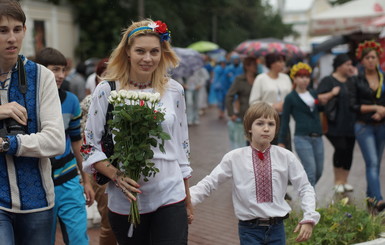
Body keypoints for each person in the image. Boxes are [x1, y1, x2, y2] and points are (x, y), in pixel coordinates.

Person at [81, 19, 193, 244]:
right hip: (126, 198)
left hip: (170, 192)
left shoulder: (174, 90)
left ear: (163, 53)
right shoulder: (107, 90)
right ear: (128, 53)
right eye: (140, 51)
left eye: (154, 51)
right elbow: (88, 146)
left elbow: (182, 148)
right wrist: (117, 175)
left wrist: (187, 199)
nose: (148, 58)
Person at [190, 102, 320, 244]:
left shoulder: (286, 156)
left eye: (271, 124)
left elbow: (305, 187)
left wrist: (309, 217)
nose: (266, 129)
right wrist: (187, 200)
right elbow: (210, 182)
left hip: (277, 229)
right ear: (249, 128)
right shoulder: (235, 157)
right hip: (249, 230)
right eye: (260, 123)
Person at [0, 1, 65, 244]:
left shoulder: (42, 76)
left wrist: (7, 143)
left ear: (25, 31)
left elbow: (56, 141)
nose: (11, 38)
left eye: (17, 29)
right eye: (2, 30)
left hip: (37, 201)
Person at [35, 47, 95, 245]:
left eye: (63, 69)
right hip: (38, 184)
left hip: (68, 179)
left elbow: (77, 142)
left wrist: (86, 180)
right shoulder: (29, 102)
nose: (61, 75)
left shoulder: (70, 101)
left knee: (78, 239)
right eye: (55, 69)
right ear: (40, 70)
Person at [347, 40, 385, 213]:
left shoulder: (383, 76)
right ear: (362, 61)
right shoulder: (356, 80)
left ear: (378, 59)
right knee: (372, 162)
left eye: (374, 57)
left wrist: (383, 111)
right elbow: (353, 105)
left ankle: (371, 201)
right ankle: (378, 199)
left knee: (376, 165)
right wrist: (375, 108)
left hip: (381, 125)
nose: (371, 60)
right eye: (367, 57)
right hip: (364, 126)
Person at [278, 62, 324, 187]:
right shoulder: (290, 98)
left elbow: (320, 110)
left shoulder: (313, 93)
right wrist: (281, 141)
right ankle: (310, 204)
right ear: (295, 78)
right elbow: (285, 120)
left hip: (318, 137)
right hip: (302, 138)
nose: (304, 80)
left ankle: (304, 190)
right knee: (311, 172)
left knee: (319, 171)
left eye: (307, 77)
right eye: (301, 77)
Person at [317, 54, 356, 193]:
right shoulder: (328, 80)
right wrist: (332, 93)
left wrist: (356, 75)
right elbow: (318, 98)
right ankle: (337, 180)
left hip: (351, 122)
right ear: (339, 66)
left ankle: (345, 180)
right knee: (341, 148)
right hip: (334, 123)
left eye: (351, 64)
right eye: (347, 64)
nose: (350, 67)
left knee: (349, 150)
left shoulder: (352, 80)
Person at [249, 53, 293, 150]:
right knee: (268, 150)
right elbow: (253, 102)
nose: (283, 64)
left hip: (283, 119)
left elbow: (291, 96)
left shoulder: (285, 78)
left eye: (283, 61)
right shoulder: (261, 79)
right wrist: (272, 106)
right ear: (272, 64)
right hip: (266, 119)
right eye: (280, 61)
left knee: (285, 150)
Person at [225, 56, 257, 149]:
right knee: (245, 142)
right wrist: (231, 113)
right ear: (247, 66)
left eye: (256, 65)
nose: (255, 67)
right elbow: (229, 96)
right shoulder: (239, 79)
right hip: (244, 114)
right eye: (253, 65)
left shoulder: (260, 78)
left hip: (258, 114)